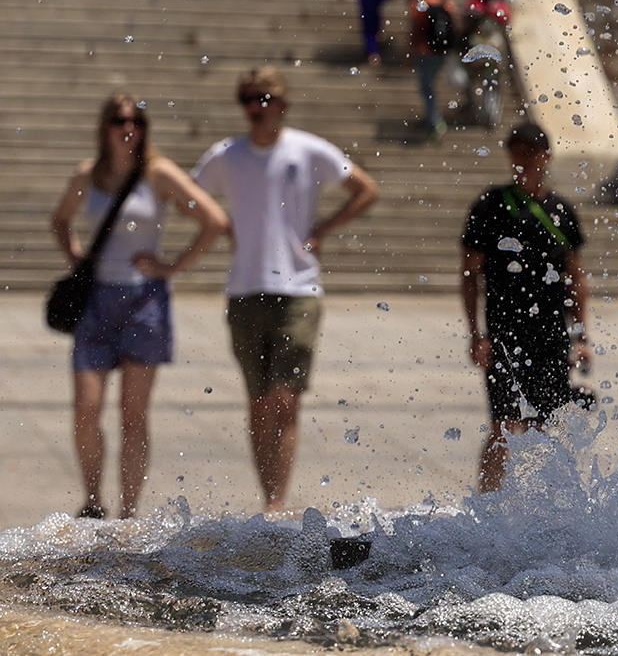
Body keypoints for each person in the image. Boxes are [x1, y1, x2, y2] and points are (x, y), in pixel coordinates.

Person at [192, 67, 380, 511]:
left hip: (299, 288)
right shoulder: (227, 155)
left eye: (263, 99)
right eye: (248, 99)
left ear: (282, 104)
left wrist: (324, 229)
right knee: (258, 401)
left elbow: (366, 189)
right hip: (244, 289)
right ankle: (268, 498)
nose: (255, 108)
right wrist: (219, 225)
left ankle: (277, 501)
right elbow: (187, 194)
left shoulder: (308, 150)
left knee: (285, 397)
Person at [50, 93, 229, 519]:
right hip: (97, 300)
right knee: (86, 408)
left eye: (136, 121)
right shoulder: (87, 175)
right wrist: (77, 257)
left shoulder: (158, 173)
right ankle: (94, 500)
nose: (128, 128)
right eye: (119, 120)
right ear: (105, 127)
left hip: (144, 300)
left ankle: (130, 511)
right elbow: (60, 219)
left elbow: (214, 220)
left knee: (133, 413)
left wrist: (173, 266)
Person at [461, 123, 594, 492]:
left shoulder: (560, 211)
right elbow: (470, 274)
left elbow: (576, 278)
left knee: (541, 424)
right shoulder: (490, 206)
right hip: (503, 332)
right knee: (503, 424)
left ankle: (533, 504)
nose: (523, 158)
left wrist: (581, 336)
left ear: (546, 156)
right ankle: (488, 502)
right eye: (516, 150)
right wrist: (476, 335)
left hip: (551, 334)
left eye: (530, 151)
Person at [408, 0, 460, 142]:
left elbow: (415, 29)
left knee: (426, 86)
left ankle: (435, 121)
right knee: (434, 84)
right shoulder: (447, 4)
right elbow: (456, 27)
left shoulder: (420, 3)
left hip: (426, 51)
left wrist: (409, 51)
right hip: (443, 51)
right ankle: (436, 116)